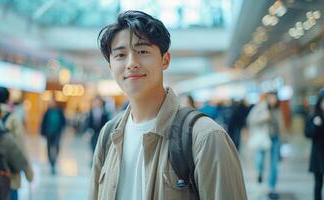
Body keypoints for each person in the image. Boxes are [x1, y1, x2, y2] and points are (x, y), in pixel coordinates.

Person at [89, 10, 247, 200]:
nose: (131, 63)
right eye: (120, 55)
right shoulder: (108, 136)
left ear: (165, 60)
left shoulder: (205, 137)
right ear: (111, 66)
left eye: (142, 51)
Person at [0, 87, 34, 200]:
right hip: (9, 176)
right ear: (8, 100)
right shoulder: (13, 119)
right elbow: (20, 148)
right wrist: (29, 174)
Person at [247, 91, 285, 199]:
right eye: (271, 98)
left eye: (274, 98)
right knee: (260, 158)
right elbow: (250, 119)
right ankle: (259, 172)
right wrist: (264, 118)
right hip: (264, 137)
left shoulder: (278, 109)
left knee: (274, 163)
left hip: (276, 138)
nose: (273, 100)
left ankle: (271, 187)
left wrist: (284, 140)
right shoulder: (261, 107)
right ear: (267, 99)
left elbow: (281, 125)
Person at [305, 88, 324, 200]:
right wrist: (316, 125)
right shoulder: (315, 116)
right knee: (318, 184)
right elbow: (308, 134)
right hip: (318, 155)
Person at [40, 99, 66, 175]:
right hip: (48, 133)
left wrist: (62, 129)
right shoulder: (47, 112)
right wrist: (43, 132)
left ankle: (54, 160)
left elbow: (63, 121)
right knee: (49, 148)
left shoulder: (59, 111)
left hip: (57, 133)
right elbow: (43, 123)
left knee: (56, 147)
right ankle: (51, 162)